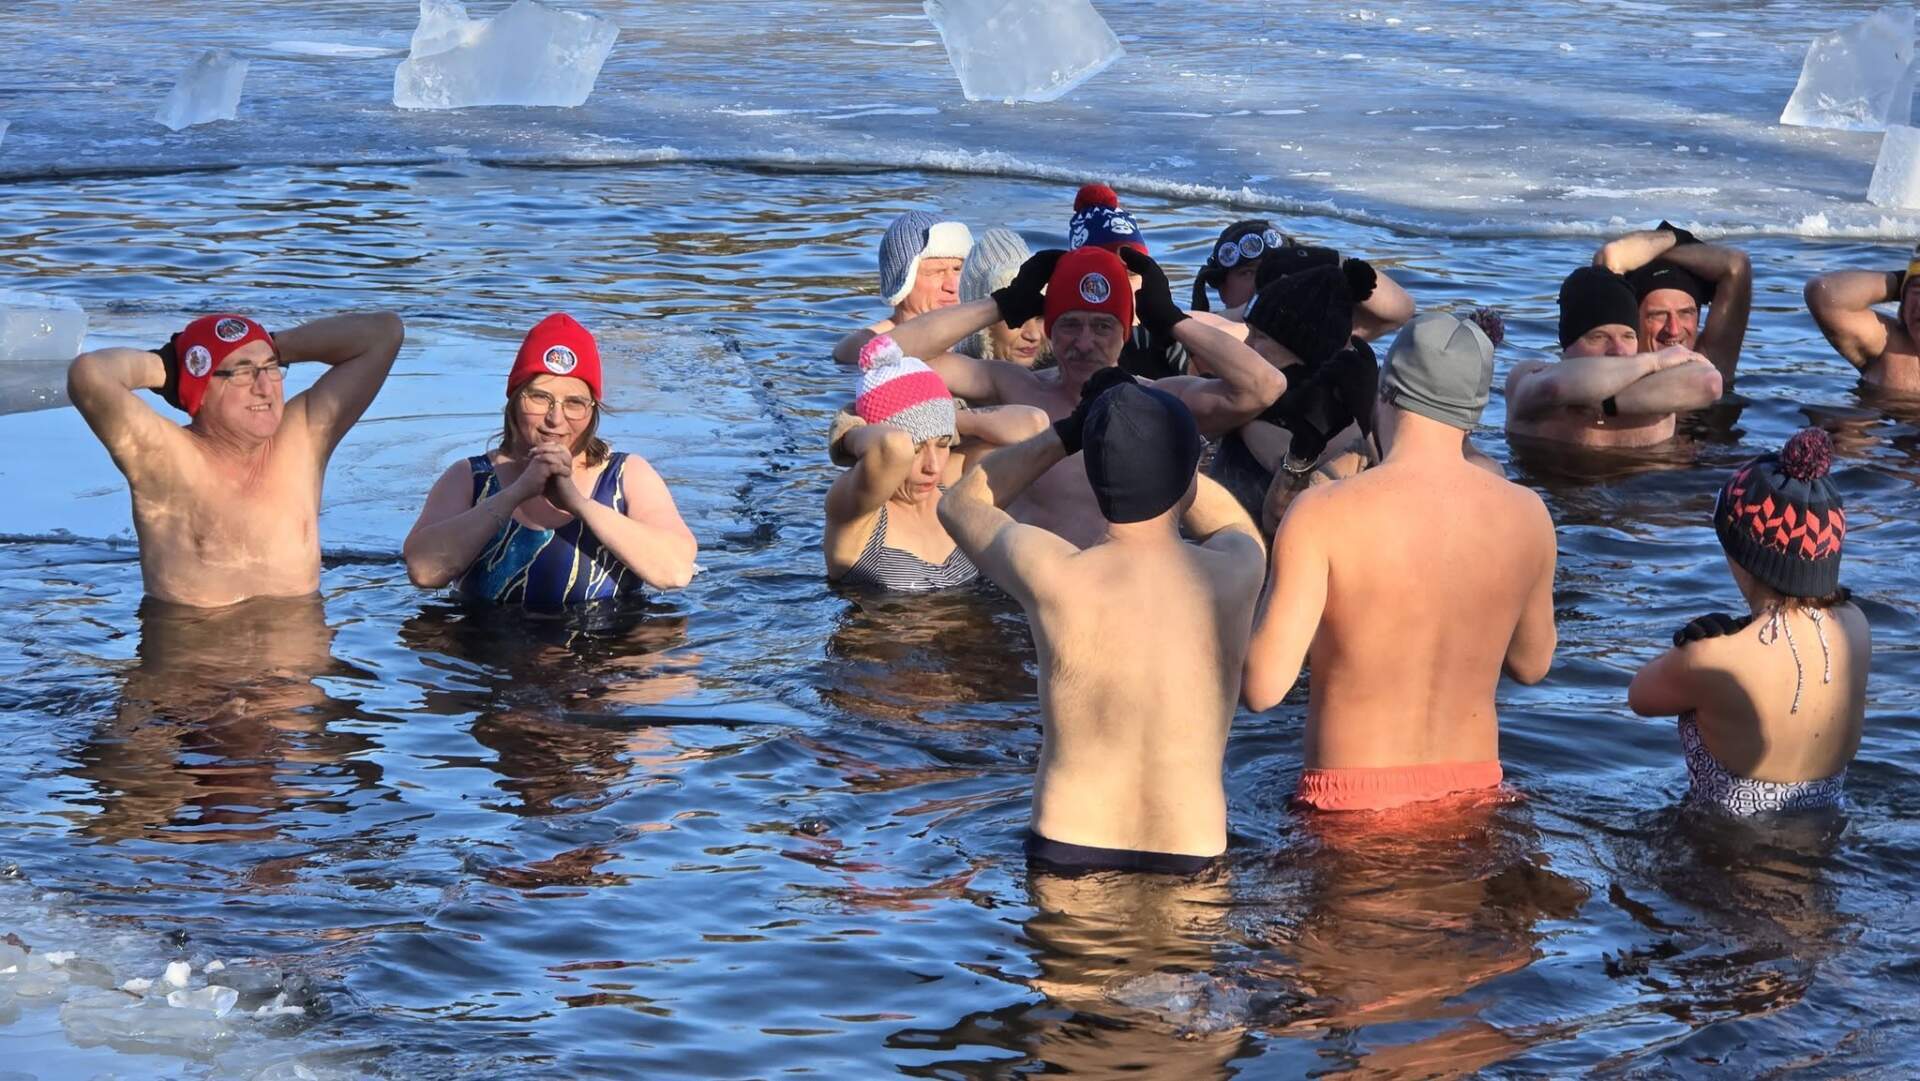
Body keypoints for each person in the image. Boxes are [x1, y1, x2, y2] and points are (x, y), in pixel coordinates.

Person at [939, 376, 1266, 873]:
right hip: (1190, 846)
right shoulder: (1234, 570)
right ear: (1186, 473)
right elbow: (1233, 522)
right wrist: (1168, 457)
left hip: (1069, 843)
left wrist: (1072, 433)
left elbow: (960, 504)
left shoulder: (1056, 573)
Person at [1243, 312, 1558, 812]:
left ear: (1384, 394)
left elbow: (1262, 689)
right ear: (1475, 412)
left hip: (1352, 802)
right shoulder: (1528, 514)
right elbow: (1532, 665)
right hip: (1477, 791)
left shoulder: (1323, 512)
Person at [885, 245, 1286, 548]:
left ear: (1125, 333)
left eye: (1102, 327)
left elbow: (1264, 386)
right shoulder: (1016, 387)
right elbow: (887, 356)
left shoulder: (1159, 402)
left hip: (1119, 596)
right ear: (1050, 330)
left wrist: (1172, 319)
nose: (1084, 342)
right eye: (1071, 324)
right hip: (1017, 597)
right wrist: (1000, 304)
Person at [67, 310, 405, 608]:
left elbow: (383, 333)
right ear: (200, 388)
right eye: (241, 373)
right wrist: (173, 366)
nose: (264, 388)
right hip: (193, 649)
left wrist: (267, 344)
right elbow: (90, 375)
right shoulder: (165, 457)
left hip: (296, 648)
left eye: (271, 368)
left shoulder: (303, 438)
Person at [1628, 428, 1866, 815]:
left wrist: (1690, 646)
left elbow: (1639, 696)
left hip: (1722, 844)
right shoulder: (1856, 626)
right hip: (1827, 831)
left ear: (1739, 552)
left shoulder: (1713, 657)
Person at [403, 313, 697, 607]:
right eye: (540, 398)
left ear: (593, 410)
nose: (555, 419)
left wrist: (578, 504)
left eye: (574, 403)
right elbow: (423, 572)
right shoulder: (469, 478)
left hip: (609, 634)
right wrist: (515, 493)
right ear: (514, 399)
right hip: (486, 635)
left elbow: (675, 573)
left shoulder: (627, 475)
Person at [824, 335, 1048, 592]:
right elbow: (894, 446)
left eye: (943, 444)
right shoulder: (856, 508)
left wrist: (944, 418)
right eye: (916, 449)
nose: (932, 466)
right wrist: (847, 435)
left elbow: (1034, 424)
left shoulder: (952, 485)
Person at [1209, 259, 1388, 522]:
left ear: (1302, 348)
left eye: (1260, 336)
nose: (1246, 345)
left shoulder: (1343, 414)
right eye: (1249, 332)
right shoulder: (1249, 402)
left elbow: (1281, 466)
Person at [1506, 266, 1722, 450]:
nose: (1619, 351)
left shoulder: (1662, 383)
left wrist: (1603, 403)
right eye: (1599, 337)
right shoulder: (1528, 375)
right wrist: (1654, 361)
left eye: (1628, 336)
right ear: (1567, 345)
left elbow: (1710, 384)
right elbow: (1554, 388)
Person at [1593, 220, 1752, 387]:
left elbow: (1736, 265)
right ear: (1632, 321)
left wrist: (1668, 245)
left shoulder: (1711, 367)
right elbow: (1611, 256)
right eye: (1658, 315)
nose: (1673, 330)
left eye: (1685, 313)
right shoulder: (1614, 371)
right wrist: (1675, 238)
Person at [831, 210, 974, 366]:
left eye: (958, 269)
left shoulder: (982, 337)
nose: (953, 286)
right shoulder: (860, 346)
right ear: (901, 281)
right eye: (936, 272)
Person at [1804, 241, 1920, 394]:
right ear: (1903, 300)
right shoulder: (1887, 347)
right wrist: (1903, 279)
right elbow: (1824, 294)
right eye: (1918, 291)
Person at [955, 227, 1047, 367]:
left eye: (1041, 317)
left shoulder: (1067, 370)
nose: (1034, 335)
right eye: (1016, 317)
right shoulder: (943, 375)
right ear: (980, 325)